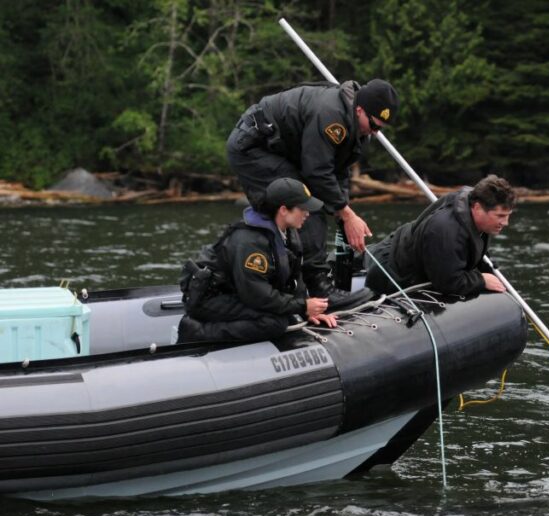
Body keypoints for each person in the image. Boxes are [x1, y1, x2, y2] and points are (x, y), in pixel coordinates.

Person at [226, 77, 399, 301]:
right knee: (306, 203)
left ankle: (304, 278)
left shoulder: (358, 129)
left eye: (380, 129)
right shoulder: (331, 117)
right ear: (359, 109)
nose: (375, 133)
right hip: (253, 148)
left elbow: (339, 171)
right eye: (374, 125)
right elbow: (317, 172)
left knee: (323, 207)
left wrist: (343, 213)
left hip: (283, 152)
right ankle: (317, 286)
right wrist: (346, 214)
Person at [176, 177, 372, 343]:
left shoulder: (289, 233)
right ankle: (195, 331)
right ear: (284, 210)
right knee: (275, 323)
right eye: (302, 208)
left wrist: (308, 311)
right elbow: (256, 295)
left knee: (286, 316)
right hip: (211, 298)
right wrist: (302, 306)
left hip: (238, 292)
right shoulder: (250, 242)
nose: (307, 213)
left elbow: (295, 279)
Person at [364, 175, 516, 296]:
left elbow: (475, 244)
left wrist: (487, 268)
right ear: (477, 208)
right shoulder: (446, 232)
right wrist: (481, 280)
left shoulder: (477, 200)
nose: (506, 222)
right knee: (355, 258)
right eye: (500, 216)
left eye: (508, 215)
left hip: (408, 242)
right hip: (391, 268)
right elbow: (447, 283)